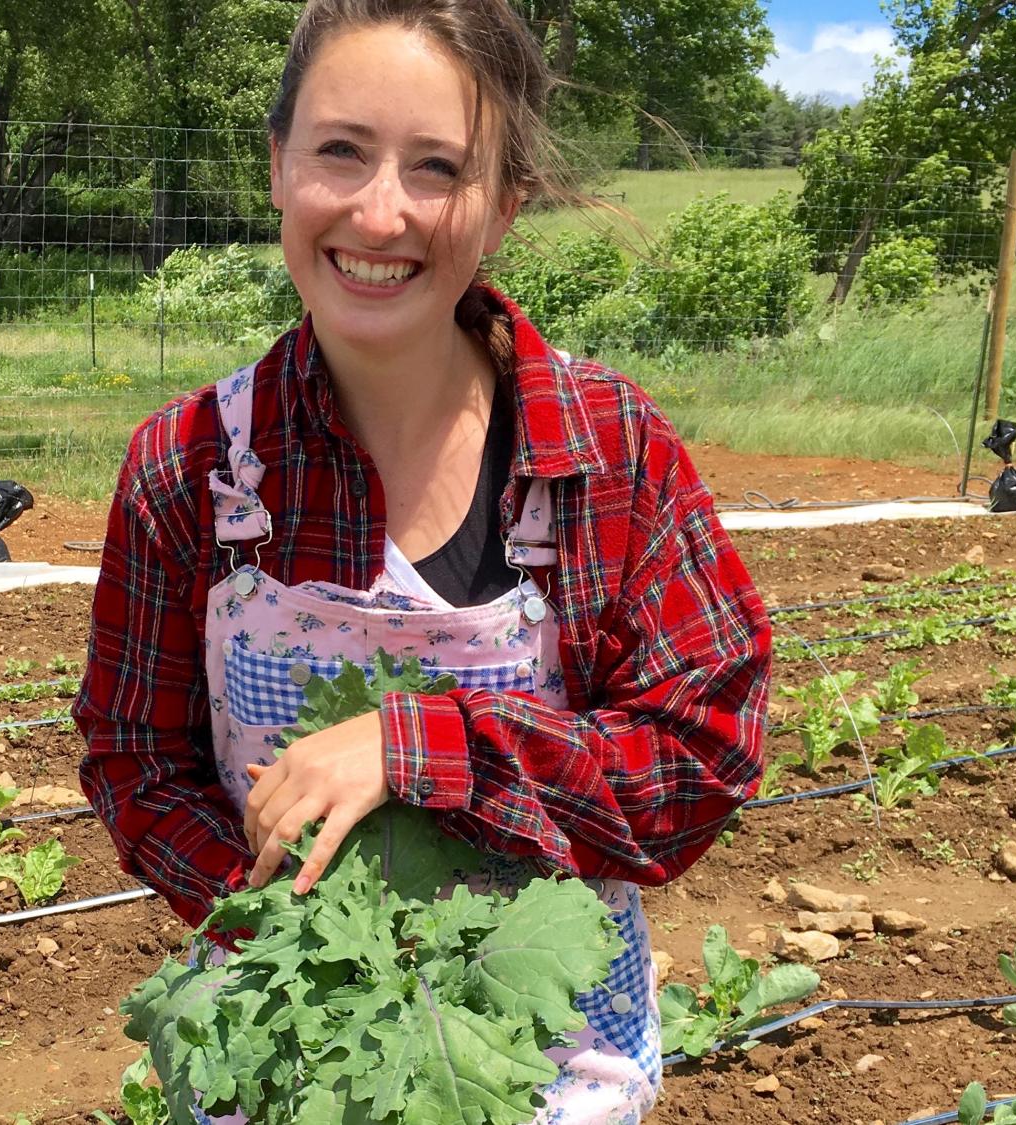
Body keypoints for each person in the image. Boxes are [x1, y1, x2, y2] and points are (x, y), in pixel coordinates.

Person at [75, 1, 771, 1120]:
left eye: (439, 168)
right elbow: (135, 763)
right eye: (340, 151)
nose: (381, 210)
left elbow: (697, 761)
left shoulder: (606, 452)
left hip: (544, 1057)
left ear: (502, 207)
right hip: (296, 1052)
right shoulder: (193, 468)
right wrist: (299, 942)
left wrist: (421, 746)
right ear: (278, 167)